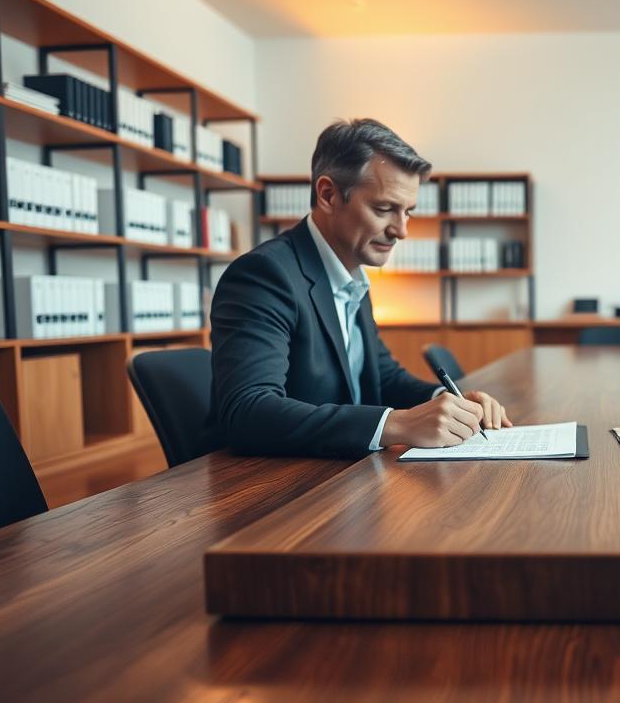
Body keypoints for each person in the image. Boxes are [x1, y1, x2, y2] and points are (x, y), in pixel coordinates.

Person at [207, 118, 511, 458]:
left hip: (343, 477)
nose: (402, 230)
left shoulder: (352, 277)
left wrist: (446, 401)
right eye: (384, 209)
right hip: (281, 489)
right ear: (328, 195)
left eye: (407, 212)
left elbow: (384, 377)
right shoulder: (263, 275)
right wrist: (396, 425)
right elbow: (248, 411)